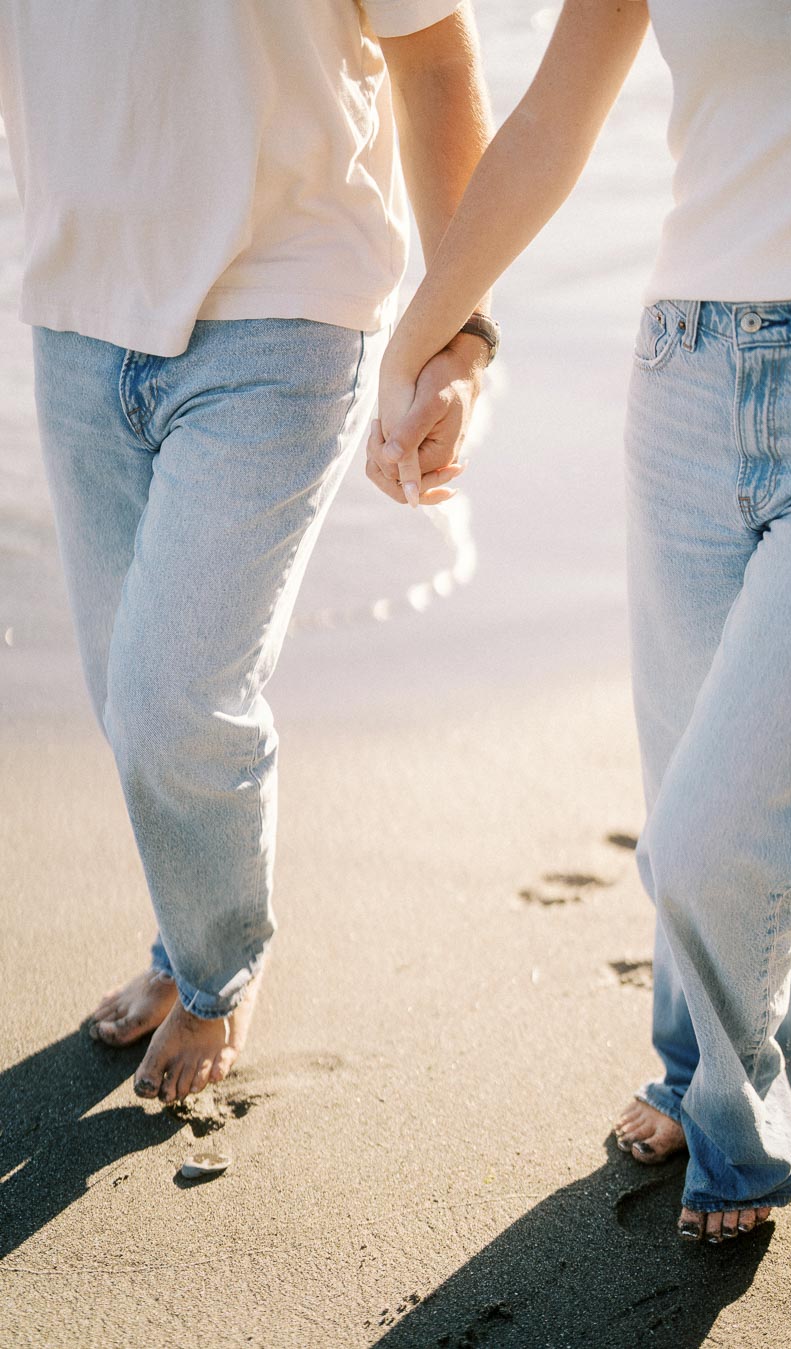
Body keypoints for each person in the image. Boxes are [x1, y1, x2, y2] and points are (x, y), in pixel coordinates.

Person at [369, 0, 791, 1242]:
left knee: (720, 839)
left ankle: (742, 1127)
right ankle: (691, 1064)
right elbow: (554, 120)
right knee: (686, 786)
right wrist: (430, 334)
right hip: (684, 377)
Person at [0, 0, 495, 1104]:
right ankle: (184, 943)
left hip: (290, 302)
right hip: (76, 309)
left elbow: (436, 62)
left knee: (174, 695)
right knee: (130, 704)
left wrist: (460, 330)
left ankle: (220, 973)